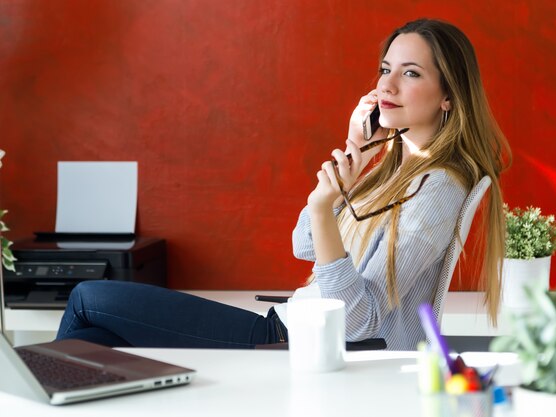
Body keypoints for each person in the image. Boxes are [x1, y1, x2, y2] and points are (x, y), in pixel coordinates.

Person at [56, 18, 510, 351]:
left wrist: (322, 206)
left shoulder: (437, 189)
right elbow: (305, 245)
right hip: (286, 327)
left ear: (449, 96)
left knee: (86, 298)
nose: (386, 85)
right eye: (385, 68)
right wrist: (354, 148)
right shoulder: (396, 165)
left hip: (290, 341)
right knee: (94, 340)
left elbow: (356, 321)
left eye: (410, 73)